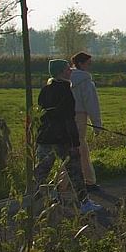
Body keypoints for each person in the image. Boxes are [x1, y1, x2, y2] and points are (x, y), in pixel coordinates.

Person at [34, 58, 103, 214]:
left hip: (45, 137)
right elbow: (68, 117)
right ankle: (84, 203)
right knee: (75, 171)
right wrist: (74, 141)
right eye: (67, 69)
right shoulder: (66, 90)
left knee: (41, 171)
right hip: (63, 138)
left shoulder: (45, 90)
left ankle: (37, 201)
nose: (70, 71)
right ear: (61, 72)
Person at [69, 51, 102, 189]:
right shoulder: (86, 82)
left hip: (67, 116)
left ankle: (64, 183)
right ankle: (89, 180)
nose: (90, 66)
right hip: (80, 115)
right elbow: (92, 104)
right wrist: (97, 124)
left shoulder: (66, 78)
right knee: (82, 148)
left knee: (69, 148)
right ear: (81, 64)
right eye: (88, 63)